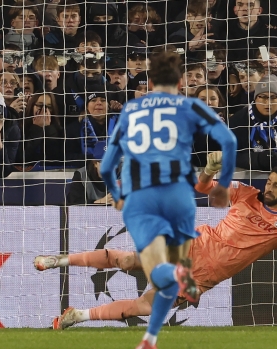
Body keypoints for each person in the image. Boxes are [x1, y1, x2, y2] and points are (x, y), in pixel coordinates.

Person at [34, 164, 277, 329]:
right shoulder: (245, 192)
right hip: (194, 243)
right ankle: (58, 260)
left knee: (145, 306)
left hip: (207, 273)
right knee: (127, 260)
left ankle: (79, 316)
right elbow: (204, 187)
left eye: (276, 186)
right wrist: (210, 170)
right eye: (269, 182)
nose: (269, 188)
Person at [97, 51, 237, 349]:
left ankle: (176, 274)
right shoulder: (191, 105)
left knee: (158, 272)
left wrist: (118, 193)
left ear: (148, 81)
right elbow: (229, 140)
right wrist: (223, 185)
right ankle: (150, 338)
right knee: (175, 273)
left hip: (142, 196)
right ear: (182, 81)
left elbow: (107, 165)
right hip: (179, 196)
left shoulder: (132, 109)